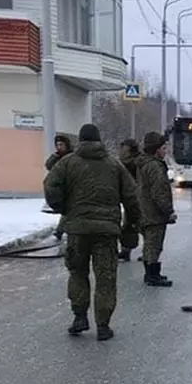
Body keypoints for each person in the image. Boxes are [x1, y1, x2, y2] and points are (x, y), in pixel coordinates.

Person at [43, 124, 140, 341]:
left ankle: (80, 317)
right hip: (106, 232)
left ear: (80, 140)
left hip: (77, 230)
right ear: (99, 140)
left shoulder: (68, 163)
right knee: (105, 278)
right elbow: (132, 196)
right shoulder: (114, 165)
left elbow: (50, 186)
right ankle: (103, 326)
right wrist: (132, 223)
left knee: (78, 273)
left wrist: (62, 207)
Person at [137, 131, 176, 287]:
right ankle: (152, 275)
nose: (165, 151)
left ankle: (151, 273)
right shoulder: (155, 166)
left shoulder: (143, 163)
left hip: (144, 209)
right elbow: (159, 191)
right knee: (154, 244)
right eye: (163, 148)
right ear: (156, 149)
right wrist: (168, 211)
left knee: (149, 244)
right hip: (154, 213)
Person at [45, 135, 73, 241]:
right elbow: (48, 166)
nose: (59, 147)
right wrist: (55, 156)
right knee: (66, 210)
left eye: (61, 145)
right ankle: (61, 231)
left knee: (68, 210)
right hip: (61, 188)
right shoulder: (57, 157)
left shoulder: (72, 156)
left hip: (71, 187)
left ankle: (60, 231)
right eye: (57, 145)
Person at [118, 139, 141, 262]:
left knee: (140, 226)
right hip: (128, 198)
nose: (121, 152)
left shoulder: (137, 162)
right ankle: (126, 250)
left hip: (139, 197)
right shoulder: (122, 163)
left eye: (124, 149)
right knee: (128, 226)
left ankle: (149, 252)